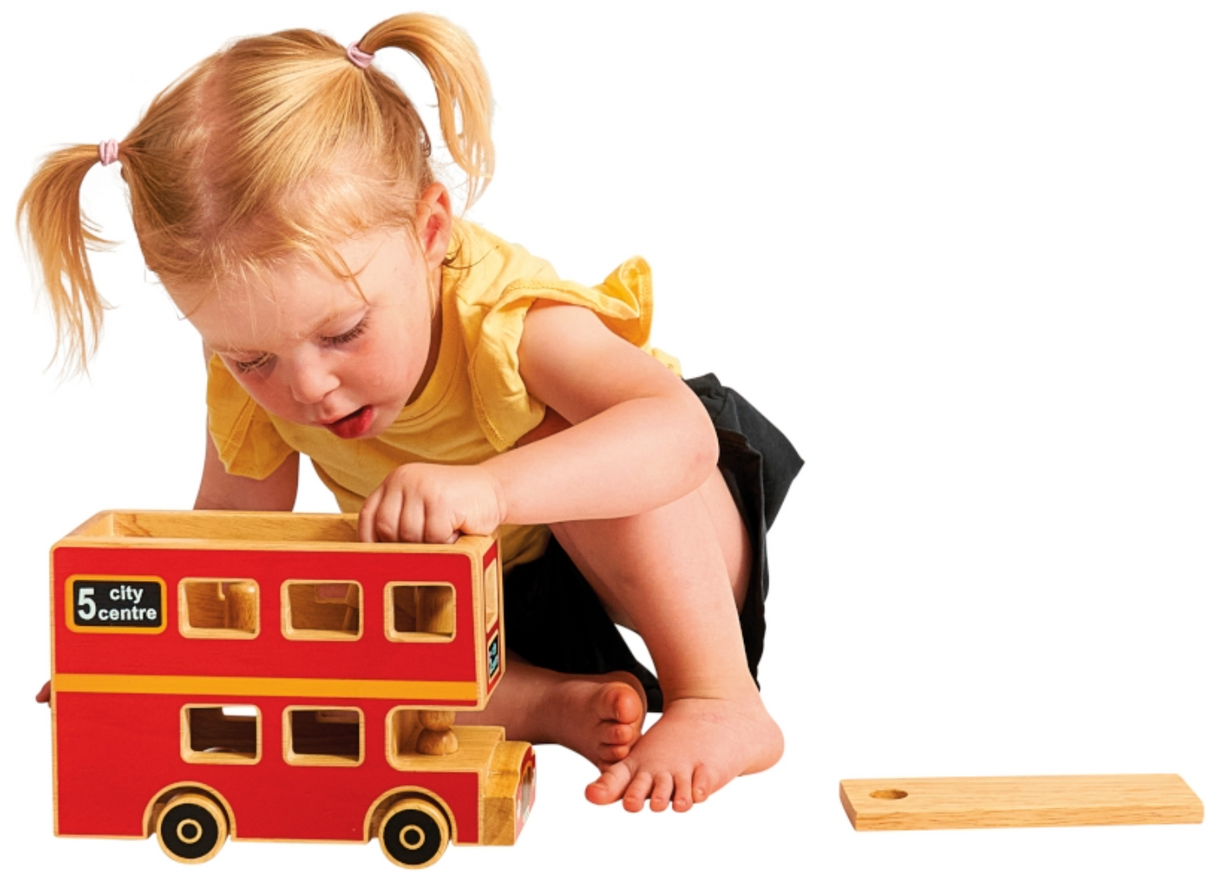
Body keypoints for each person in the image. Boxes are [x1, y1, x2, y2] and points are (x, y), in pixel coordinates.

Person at [18, 13, 801, 814]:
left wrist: (491, 489)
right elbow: (232, 541)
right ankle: (544, 702)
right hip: (491, 597)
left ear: (430, 231)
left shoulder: (501, 315)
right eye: (251, 359)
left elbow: (679, 436)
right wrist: (138, 656)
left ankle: (719, 697)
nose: (309, 388)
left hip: (677, 544)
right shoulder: (263, 372)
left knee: (576, 431)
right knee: (310, 626)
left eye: (343, 331)